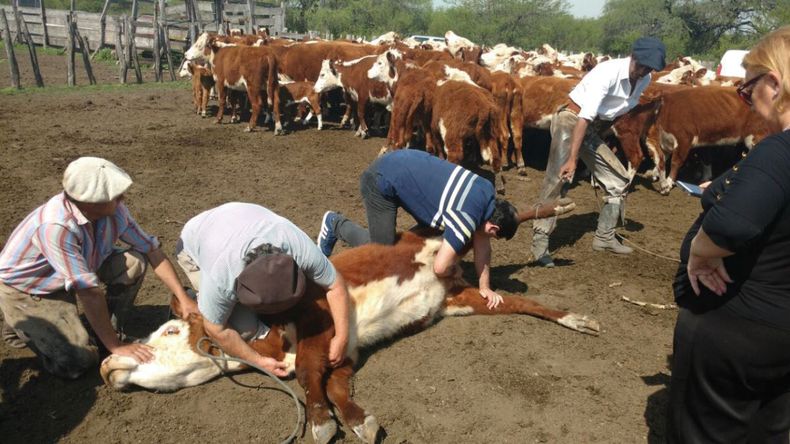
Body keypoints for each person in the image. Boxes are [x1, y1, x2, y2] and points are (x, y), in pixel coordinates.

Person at [667, 26, 790, 443]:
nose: (746, 99)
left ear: (773, 84)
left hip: (738, 328)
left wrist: (700, 250)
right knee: (770, 431)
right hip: (781, 330)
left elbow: (731, 225)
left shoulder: (779, 150)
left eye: (747, 87)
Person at [0, 157, 197, 379]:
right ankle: (20, 320)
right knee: (78, 362)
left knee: (134, 263)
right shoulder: (55, 227)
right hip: (32, 287)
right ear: (90, 202)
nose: (122, 198)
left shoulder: (115, 211)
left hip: (76, 270)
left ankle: (101, 330)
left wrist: (183, 297)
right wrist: (115, 346)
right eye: (115, 195)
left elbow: (151, 250)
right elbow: (88, 291)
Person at [317, 149, 520, 310]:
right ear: (492, 227)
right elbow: (440, 268)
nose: (488, 239)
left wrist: (484, 287)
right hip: (380, 179)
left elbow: (482, 243)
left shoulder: (486, 189)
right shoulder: (466, 217)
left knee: (423, 238)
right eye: (494, 235)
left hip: (406, 163)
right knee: (382, 253)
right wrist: (454, 270)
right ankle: (335, 224)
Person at [531, 37, 666, 267]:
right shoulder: (607, 73)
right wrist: (574, 159)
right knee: (560, 178)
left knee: (619, 179)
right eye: (641, 65)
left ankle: (604, 238)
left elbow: (612, 114)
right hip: (572, 121)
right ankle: (539, 244)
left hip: (593, 128)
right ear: (632, 57)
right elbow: (584, 117)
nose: (643, 72)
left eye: (649, 68)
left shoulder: (644, 79)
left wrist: (597, 145)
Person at [176, 202, 351, 377]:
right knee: (246, 330)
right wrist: (258, 361)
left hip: (239, 217)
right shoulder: (221, 278)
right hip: (195, 242)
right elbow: (217, 330)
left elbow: (335, 286)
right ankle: (198, 299)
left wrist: (342, 337)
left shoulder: (299, 248)